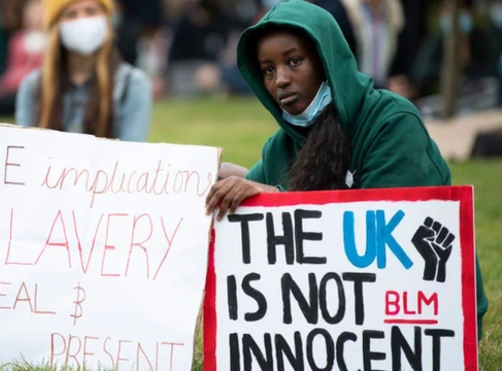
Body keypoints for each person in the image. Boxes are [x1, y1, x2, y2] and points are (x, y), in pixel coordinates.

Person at [204, 0, 488, 340]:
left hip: (422, 321)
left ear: (328, 60)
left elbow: (392, 234)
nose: (280, 79)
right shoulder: (280, 146)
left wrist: (279, 199)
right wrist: (221, 183)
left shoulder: (392, 121)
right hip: (334, 330)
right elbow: (260, 203)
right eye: (267, 70)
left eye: (295, 61)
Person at [15, 0, 152, 142]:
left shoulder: (132, 84)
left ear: (107, 19)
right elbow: (26, 150)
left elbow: (132, 154)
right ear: (56, 26)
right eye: (71, 14)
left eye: (91, 11)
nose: (82, 20)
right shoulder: (33, 86)